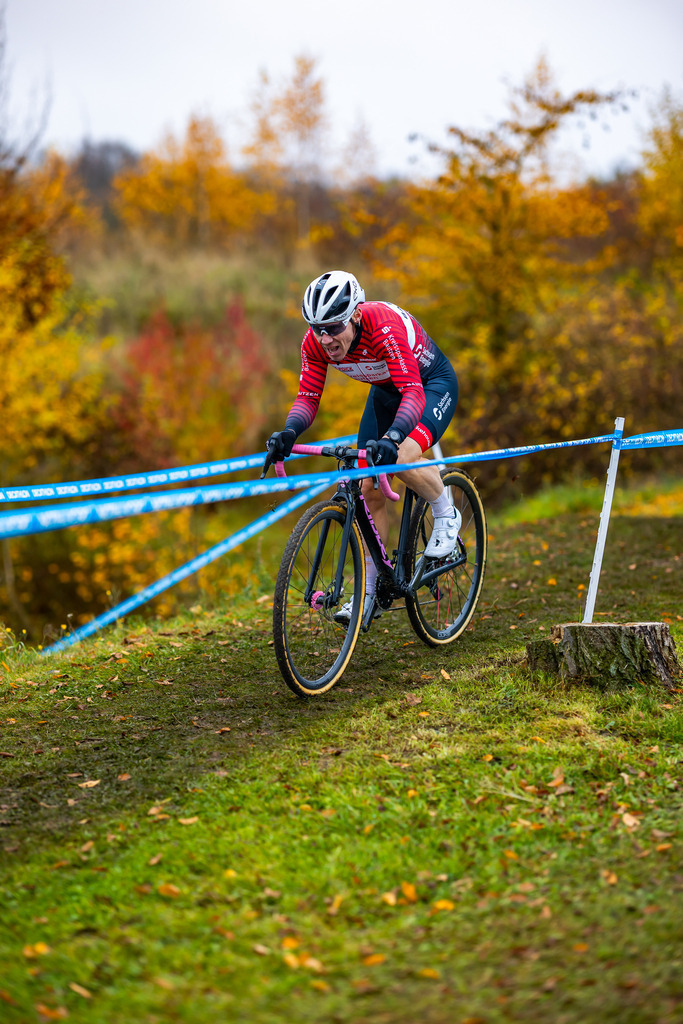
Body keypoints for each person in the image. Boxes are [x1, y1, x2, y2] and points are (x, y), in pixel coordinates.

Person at [267, 270, 461, 624]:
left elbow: (414, 393)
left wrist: (392, 438)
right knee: (367, 486)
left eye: (334, 326)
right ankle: (370, 590)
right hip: (387, 395)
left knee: (399, 457)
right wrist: (289, 432)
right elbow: (308, 397)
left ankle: (446, 514)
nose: (325, 338)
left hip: (430, 387)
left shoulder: (382, 328)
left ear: (355, 314)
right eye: (317, 327)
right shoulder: (314, 343)